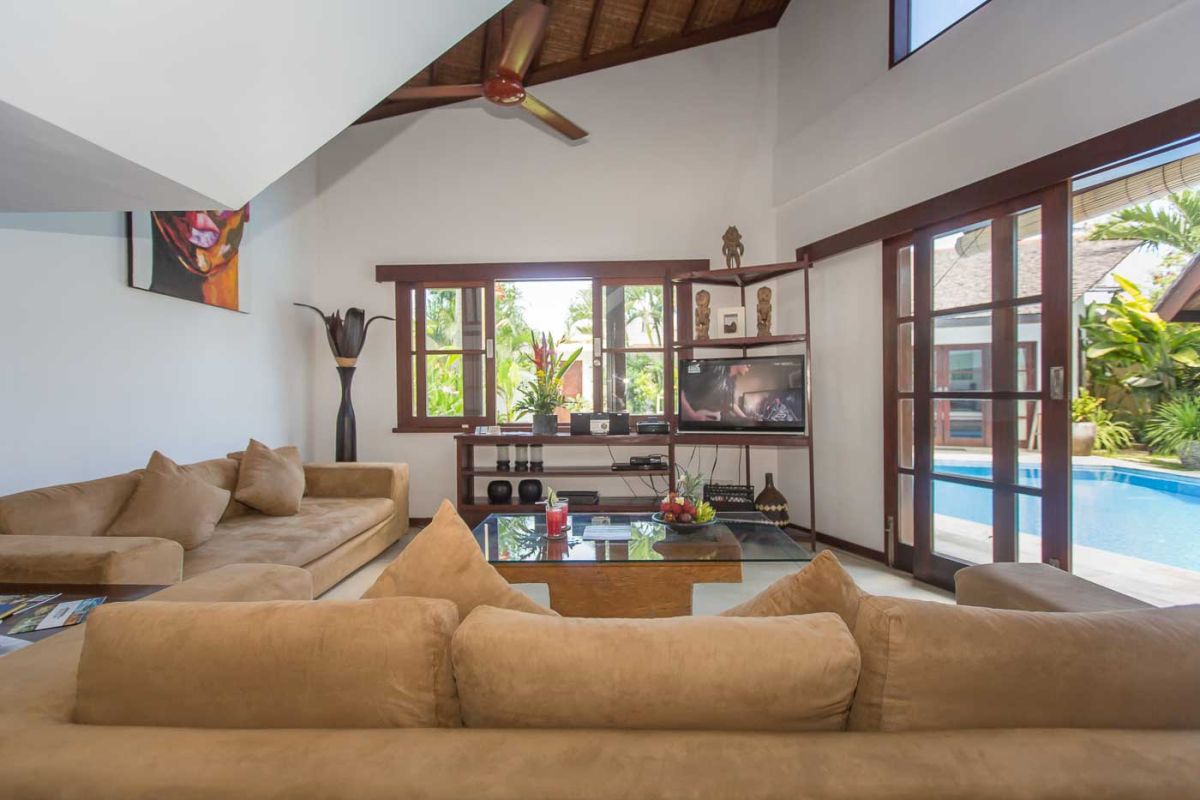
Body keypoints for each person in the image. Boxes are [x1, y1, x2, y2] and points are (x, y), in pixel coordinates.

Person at [680, 363, 751, 422]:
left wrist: (746, 419)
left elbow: (731, 404)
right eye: (747, 364)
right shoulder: (712, 366)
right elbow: (681, 385)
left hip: (715, 420)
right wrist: (691, 414)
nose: (749, 366)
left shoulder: (732, 382)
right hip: (696, 421)